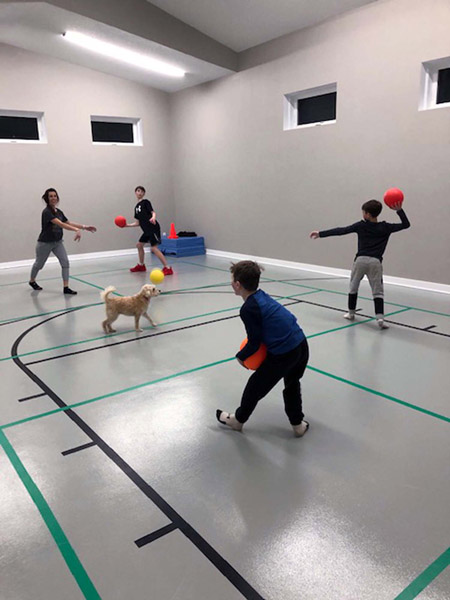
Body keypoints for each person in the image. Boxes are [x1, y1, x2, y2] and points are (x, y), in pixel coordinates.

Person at [216, 261, 310, 437]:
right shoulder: (262, 296)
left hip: (284, 354)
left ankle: (238, 420)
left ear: (237, 284)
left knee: (255, 386)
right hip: (301, 344)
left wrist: (240, 357)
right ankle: (298, 425)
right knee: (292, 384)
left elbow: (254, 342)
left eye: (232, 280)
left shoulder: (248, 308)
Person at [310, 199, 410, 328]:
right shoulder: (385, 227)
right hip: (375, 262)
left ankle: (351, 313)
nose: (363, 214)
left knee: (353, 286)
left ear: (367, 214)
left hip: (360, 261)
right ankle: (380, 319)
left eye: (363, 212)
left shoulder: (361, 225)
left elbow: (342, 230)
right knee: (378, 291)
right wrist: (399, 210)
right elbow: (406, 225)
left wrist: (321, 234)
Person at [29, 188, 96, 294]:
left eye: (55, 196)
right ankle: (32, 281)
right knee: (39, 264)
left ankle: (66, 287)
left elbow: (68, 222)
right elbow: (61, 224)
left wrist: (84, 227)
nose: (53, 198)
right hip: (44, 243)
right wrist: (76, 230)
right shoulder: (46, 212)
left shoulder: (59, 212)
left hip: (57, 242)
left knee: (65, 262)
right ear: (47, 198)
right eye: (50, 196)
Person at [126, 185, 173, 275]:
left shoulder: (146, 202)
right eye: (138, 191)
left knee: (154, 248)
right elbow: (137, 223)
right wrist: (127, 225)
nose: (139, 193)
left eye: (141, 191)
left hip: (152, 228)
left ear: (144, 193)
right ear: (135, 193)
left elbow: (153, 212)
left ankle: (167, 268)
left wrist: (153, 218)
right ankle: (141, 266)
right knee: (139, 245)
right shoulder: (136, 208)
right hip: (146, 230)